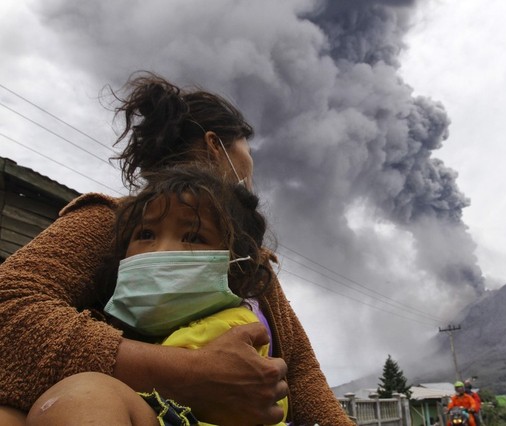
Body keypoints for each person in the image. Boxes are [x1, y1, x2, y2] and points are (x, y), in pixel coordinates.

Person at [0, 72, 354, 425]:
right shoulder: (110, 220)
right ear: (216, 146)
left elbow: (301, 371)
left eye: (194, 237)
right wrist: (188, 373)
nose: (249, 168)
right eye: (247, 150)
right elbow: (11, 307)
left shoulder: (250, 262)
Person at [29, 165, 288, 425]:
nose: (160, 251)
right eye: (146, 234)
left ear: (238, 265)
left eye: (194, 237)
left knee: (83, 397)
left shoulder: (233, 330)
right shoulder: (116, 328)